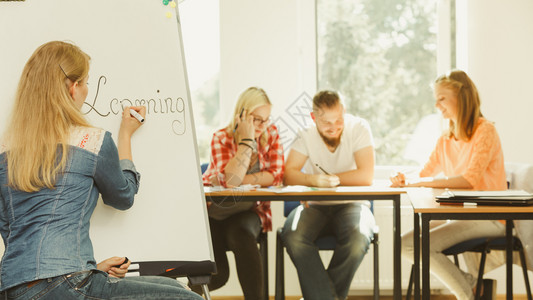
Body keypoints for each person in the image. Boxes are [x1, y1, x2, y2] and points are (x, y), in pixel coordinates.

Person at [0, 41, 203, 300]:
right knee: (191, 298)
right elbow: (123, 196)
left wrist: (89, 269)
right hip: (66, 283)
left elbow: (9, 229)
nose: (86, 90)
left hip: (13, 289)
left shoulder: (5, 151)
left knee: (176, 288)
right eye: (85, 82)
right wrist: (125, 135)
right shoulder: (92, 142)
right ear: (73, 88)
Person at [391, 70, 506, 300]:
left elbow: (468, 180)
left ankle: (468, 295)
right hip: (462, 215)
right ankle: (473, 285)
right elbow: (425, 171)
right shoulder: (446, 138)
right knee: (404, 244)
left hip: (489, 216)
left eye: (442, 98)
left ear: (461, 97)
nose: (437, 105)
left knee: (419, 246)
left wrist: (420, 181)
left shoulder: (485, 131)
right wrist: (405, 178)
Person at [281, 90, 376, 300]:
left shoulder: (359, 128)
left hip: (353, 205)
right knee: (293, 235)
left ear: (344, 111)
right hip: (314, 205)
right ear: (314, 118)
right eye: (326, 122)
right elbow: (289, 174)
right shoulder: (305, 134)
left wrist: (335, 179)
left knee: (358, 239)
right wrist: (313, 180)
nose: (334, 127)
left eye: (338, 119)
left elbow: (366, 175)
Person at [201, 87, 284, 299]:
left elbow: (275, 175)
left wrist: (240, 181)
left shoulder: (271, 134)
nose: (262, 126)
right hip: (215, 215)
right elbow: (230, 181)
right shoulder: (221, 138)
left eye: (265, 119)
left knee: (241, 234)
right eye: (256, 119)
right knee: (219, 276)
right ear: (242, 115)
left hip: (249, 213)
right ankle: (176, 294)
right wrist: (247, 142)